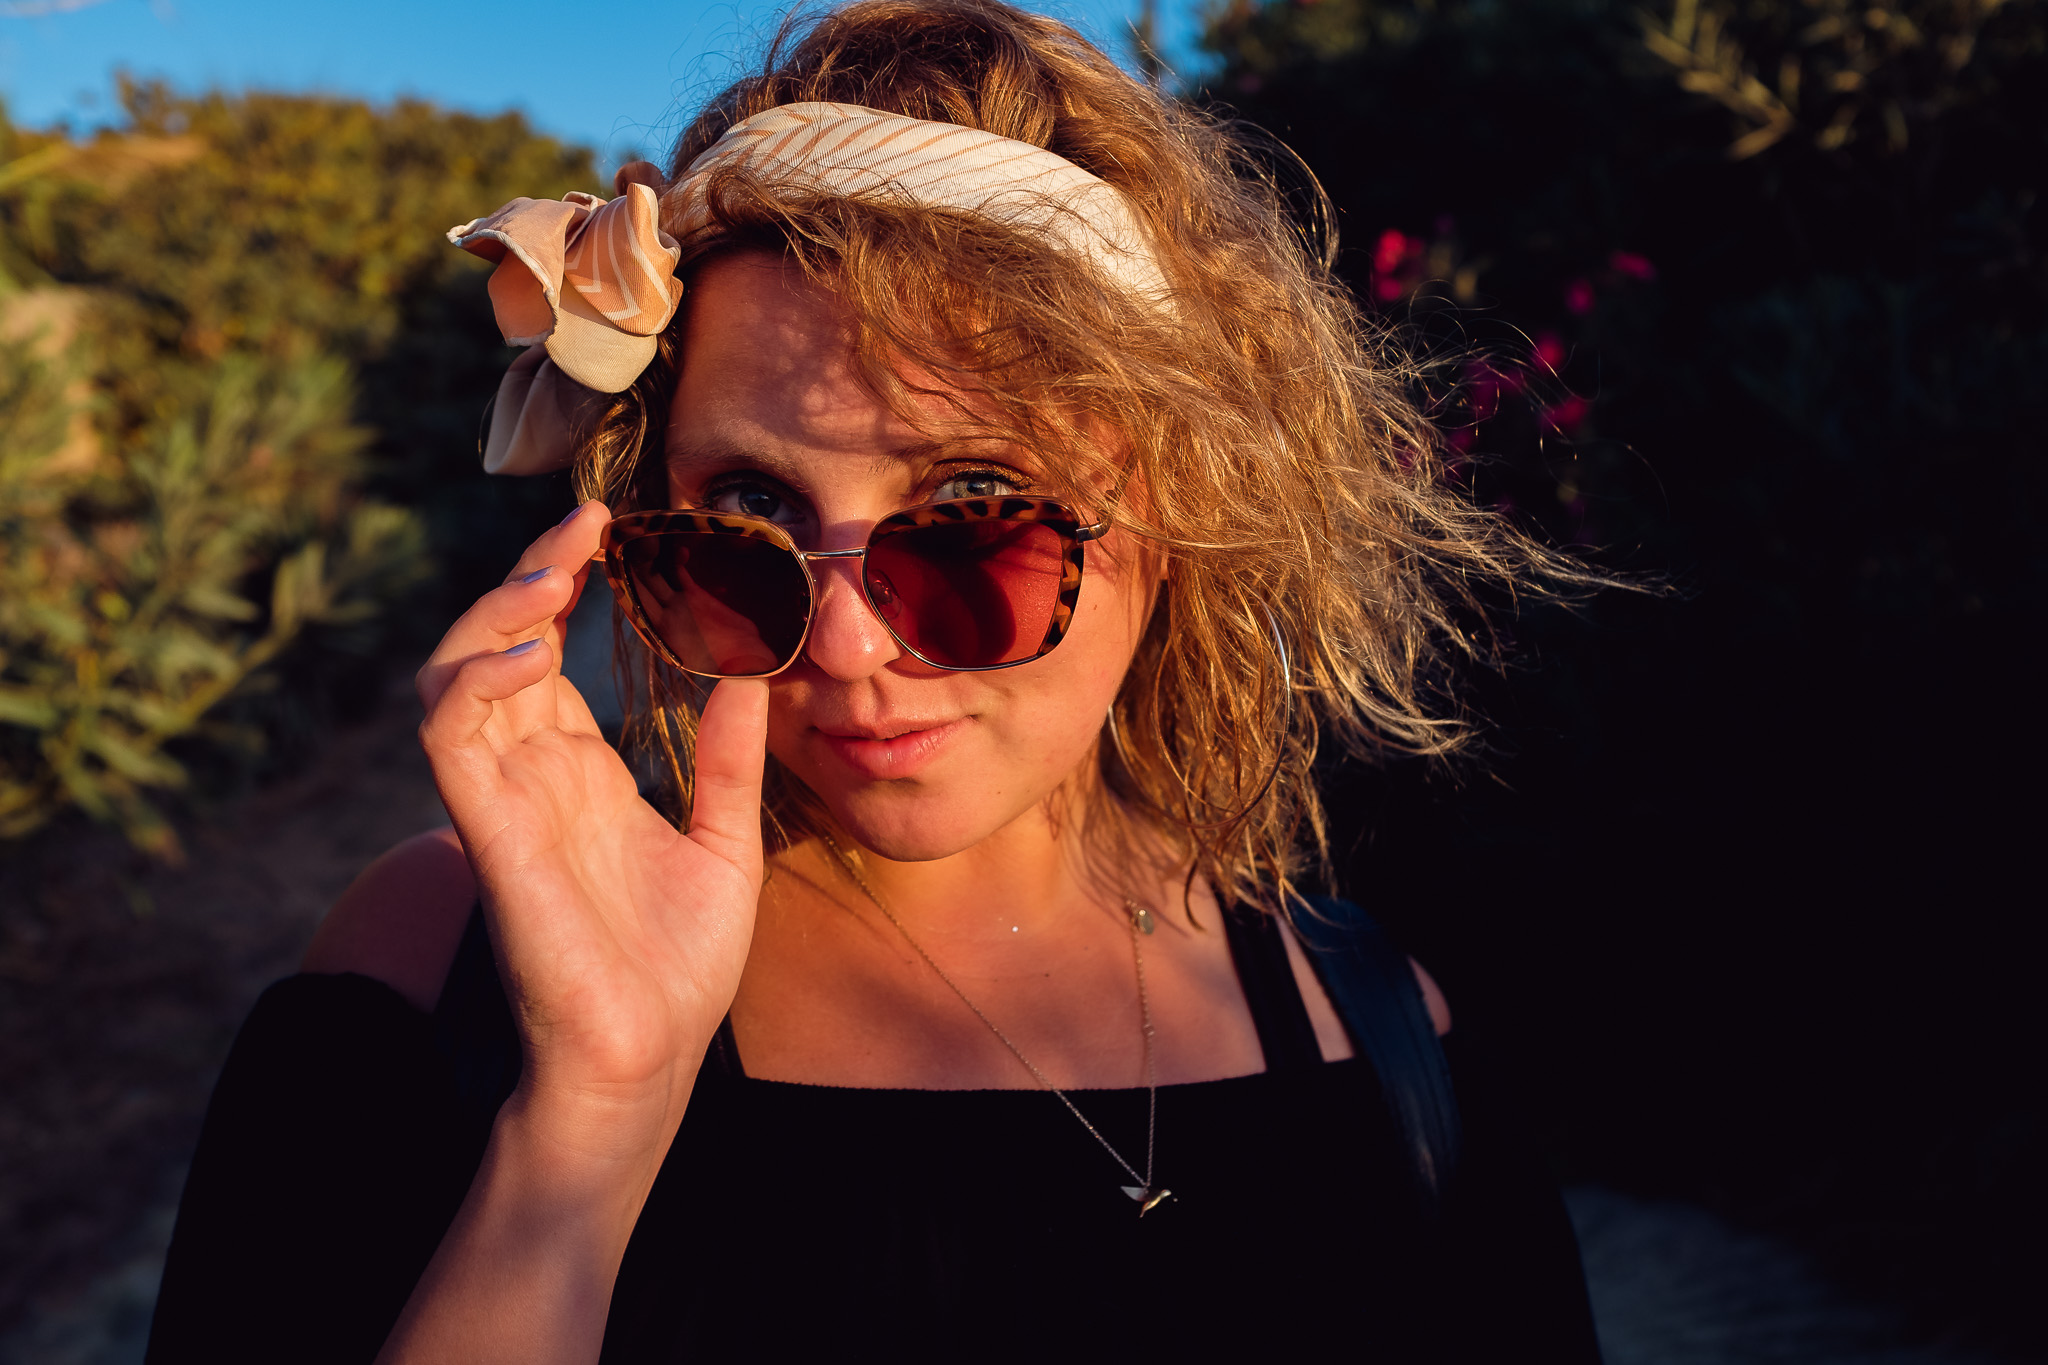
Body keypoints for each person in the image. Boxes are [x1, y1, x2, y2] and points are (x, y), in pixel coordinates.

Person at [146, 1, 1605, 1359]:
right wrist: (586, 1123)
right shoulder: (433, 961)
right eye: (750, 521)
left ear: (1171, 524)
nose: (843, 646)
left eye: (978, 511)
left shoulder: (1373, 1024)